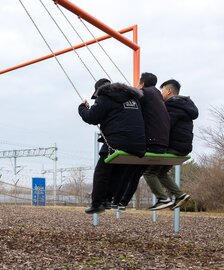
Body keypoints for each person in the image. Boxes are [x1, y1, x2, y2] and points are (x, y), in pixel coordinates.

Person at [78, 78, 146, 214]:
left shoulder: (105, 97)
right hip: (138, 143)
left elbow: (92, 117)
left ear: (99, 90)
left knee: (102, 171)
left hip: (117, 142)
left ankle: (97, 203)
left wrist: (82, 108)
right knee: (118, 171)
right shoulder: (133, 98)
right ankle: (108, 200)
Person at [112, 72, 170, 211]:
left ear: (142, 83)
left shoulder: (144, 92)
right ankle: (122, 203)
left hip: (150, 142)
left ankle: (116, 202)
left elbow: (126, 99)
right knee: (135, 173)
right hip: (162, 143)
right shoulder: (159, 96)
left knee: (127, 170)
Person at [145, 79, 198, 210]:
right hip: (183, 148)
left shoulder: (171, 105)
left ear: (169, 91)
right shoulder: (185, 105)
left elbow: (165, 126)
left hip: (173, 147)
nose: (161, 94)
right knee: (161, 173)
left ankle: (163, 199)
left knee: (148, 172)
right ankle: (180, 195)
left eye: (162, 90)